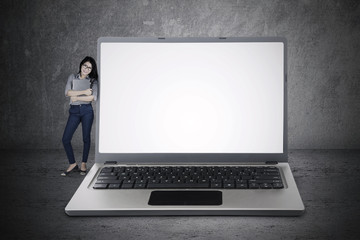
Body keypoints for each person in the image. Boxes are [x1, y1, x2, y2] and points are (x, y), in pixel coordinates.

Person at [61, 56, 98, 176]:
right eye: (85, 66)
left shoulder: (93, 81)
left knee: (86, 138)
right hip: (74, 111)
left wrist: (76, 97)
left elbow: (93, 97)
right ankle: (72, 164)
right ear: (81, 65)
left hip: (87, 111)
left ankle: (83, 163)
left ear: (92, 70)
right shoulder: (72, 77)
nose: (86, 69)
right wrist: (84, 92)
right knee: (66, 139)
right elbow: (68, 92)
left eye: (89, 68)